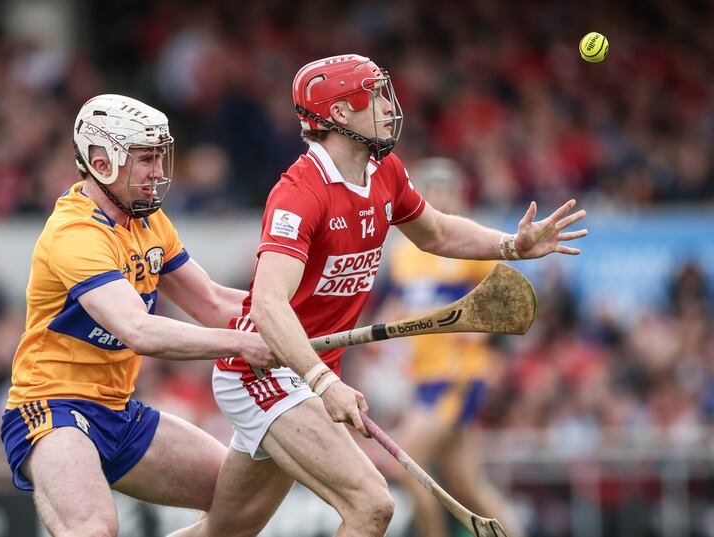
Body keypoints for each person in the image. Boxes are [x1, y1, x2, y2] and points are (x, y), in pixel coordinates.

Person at [174, 54, 587, 537]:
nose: (389, 107)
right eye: (373, 97)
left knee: (224, 532)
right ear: (339, 114)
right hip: (265, 371)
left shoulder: (384, 170)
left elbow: (437, 232)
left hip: (308, 371)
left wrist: (510, 245)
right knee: (372, 505)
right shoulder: (299, 193)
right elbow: (267, 305)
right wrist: (324, 383)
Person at [0, 94, 276, 537]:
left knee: (239, 501)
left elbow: (212, 302)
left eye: (159, 158)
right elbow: (138, 329)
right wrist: (243, 343)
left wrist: (295, 322)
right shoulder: (75, 233)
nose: (159, 172)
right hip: (52, 407)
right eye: (146, 160)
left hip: (119, 412)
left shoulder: (148, 221)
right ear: (101, 162)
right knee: (93, 529)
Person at [381, 157, 525, 537]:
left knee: (404, 462)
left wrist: (480, 330)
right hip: (424, 376)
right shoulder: (403, 253)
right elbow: (400, 301)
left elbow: (507, 298)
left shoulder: (466, 245)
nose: (442, 197)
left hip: (457, 375)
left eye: (448, 189)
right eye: (433, 189)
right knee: (465, 485)